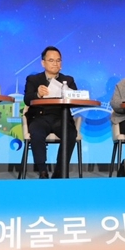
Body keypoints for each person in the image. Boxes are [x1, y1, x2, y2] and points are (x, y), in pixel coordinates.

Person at [23, 46, 78, 179]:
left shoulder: (68, 80)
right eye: (51, 60)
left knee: (70, 133)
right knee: (36, 133)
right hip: (40, 117)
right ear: (43, 63)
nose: (55, 64)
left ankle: (59, 171)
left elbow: (76, 99)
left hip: (61, 118)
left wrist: (68, 94)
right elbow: (27, 99)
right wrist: (37, 94)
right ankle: (42, 171)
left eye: (58, 60)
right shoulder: (33, 79)